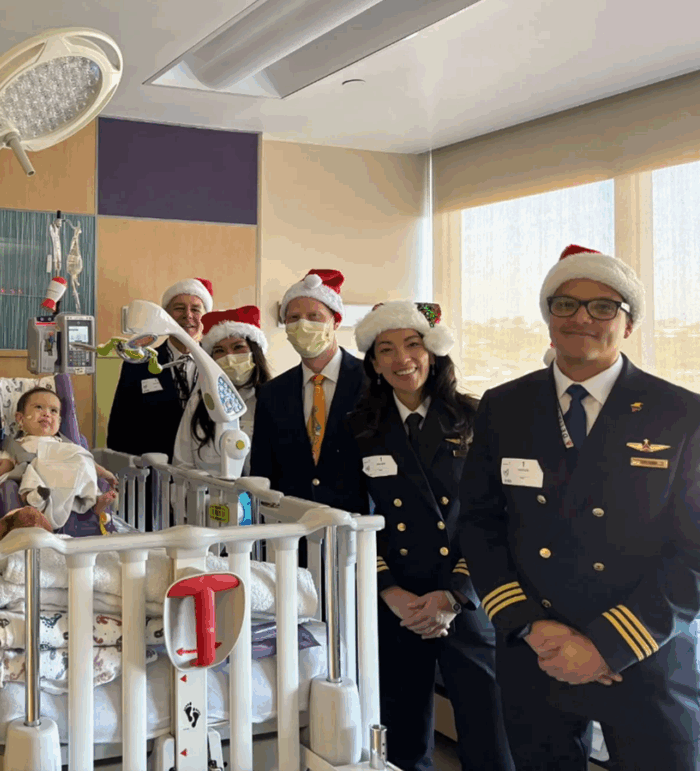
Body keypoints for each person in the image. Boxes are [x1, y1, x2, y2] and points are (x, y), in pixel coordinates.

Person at [459, 244, 700, 770]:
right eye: (565, 304)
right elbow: (479, 524)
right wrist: (530, 626)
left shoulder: (680, 412)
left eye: (603, 307)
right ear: (548, 318)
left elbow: (693, 553)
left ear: (628, 324)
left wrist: (607, 647)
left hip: (644, 653)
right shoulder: (504, 405)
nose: (582, 318)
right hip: (536, 651)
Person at [349, 301, 513, 771]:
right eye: (386, 349)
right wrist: (390, 590)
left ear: (433, 352)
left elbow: (497, 515)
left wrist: (454, 594)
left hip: (466, 595)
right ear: (374, 364)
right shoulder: (360, 428)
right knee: (403, 741)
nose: (402, 359)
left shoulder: (475, 417)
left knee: (490, 738)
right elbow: (353, 515)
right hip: (398, 602)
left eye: (413, 345)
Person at [251, 269, 370, 513]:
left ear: (335, 321)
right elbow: (261, 473)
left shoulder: (371, 382)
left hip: (357, 524)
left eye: (314, 316)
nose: (303, 325)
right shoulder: (272, 393)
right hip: (291, 526)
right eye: (294, 318)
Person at [0, 386, 119, 540]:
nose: (47, 414)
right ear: (20, 419)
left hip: (70, 484)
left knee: (83, 461)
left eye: (53, 411)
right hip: (41, 483)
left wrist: (106, 474)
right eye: (39, 408)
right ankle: (34, 500)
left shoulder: (68, 446)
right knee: (33, 470)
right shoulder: (19, 444)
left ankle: (95, 503)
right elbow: (5, 463)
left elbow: (87, 462)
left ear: (60, 421)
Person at [107, 277, 213, 460]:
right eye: (179, 308)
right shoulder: (139, 363)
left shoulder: (216, 364)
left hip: (206, 471)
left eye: (196, 309)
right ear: (166, 316)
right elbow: (119, 428)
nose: (188, 315)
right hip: (154, 471)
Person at [173, 305, 272, 476]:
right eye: (219, 351)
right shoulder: (199, 402)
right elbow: (182, 462)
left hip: (260, 492)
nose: (229, 356)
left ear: (255, 351)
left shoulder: (275, 398)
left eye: (238, 347)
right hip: (207, 491)